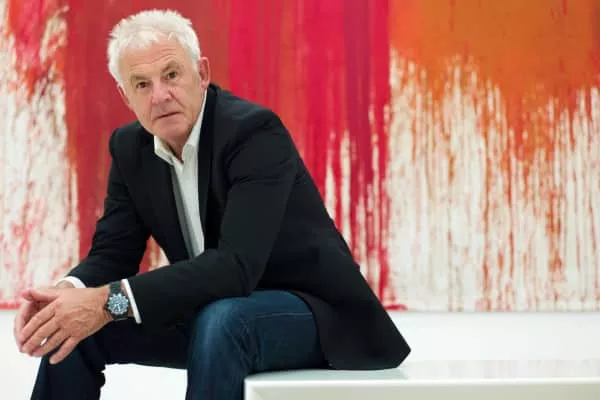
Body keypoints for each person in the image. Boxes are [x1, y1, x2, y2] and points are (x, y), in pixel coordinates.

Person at [13, 8, 410, 400]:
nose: (160, 96)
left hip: (316, 315)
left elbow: (235, 268)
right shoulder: (130, 147)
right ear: (125, 95)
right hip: (213, 311)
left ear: (201, 73)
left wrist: (106, 301)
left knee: (223, 319)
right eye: (142, 84)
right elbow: (113, 253)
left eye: (171, 75)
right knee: (72, 329)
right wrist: (64, 295)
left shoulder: (254, 133)